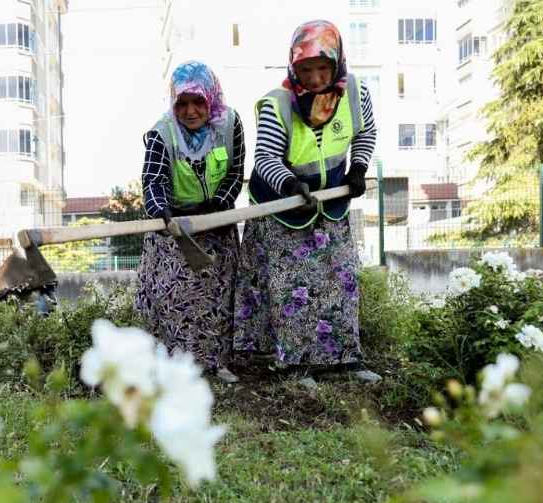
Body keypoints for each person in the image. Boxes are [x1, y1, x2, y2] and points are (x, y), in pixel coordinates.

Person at [233, 20, 381, 385]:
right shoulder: (277, 104)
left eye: (322, 68)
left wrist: (358, 167)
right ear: (293, 67)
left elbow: (366, 132)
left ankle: (344, 359)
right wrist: (289, 187)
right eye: (306, 69)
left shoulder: (355, 93)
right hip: (282, 208)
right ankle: (295, 365)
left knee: (342, 278)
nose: (315, 78)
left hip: (331, 203)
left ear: (337, 64)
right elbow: (265, 158)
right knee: (291, 287)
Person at [135, 61, 245, 383]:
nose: (191, 111)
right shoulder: (161, 133)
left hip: (216, 224)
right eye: (182, 103)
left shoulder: (229, 124)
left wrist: (220, 203)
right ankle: (175, 369)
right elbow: (153, 182)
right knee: (176, 299)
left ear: (211, 99)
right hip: (173, 230)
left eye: (198, 102)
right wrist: (162, 211)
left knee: (218, 298)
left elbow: (236, 171)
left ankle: (218, 363)